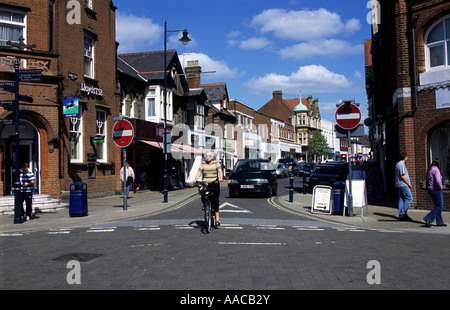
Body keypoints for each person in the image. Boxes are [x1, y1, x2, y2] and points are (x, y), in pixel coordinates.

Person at [193, 151, 223, 226]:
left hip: (214, 183)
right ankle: (205, 204)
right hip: (205, 183)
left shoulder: (216, 163)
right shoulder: (203, 163)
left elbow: (220, 171)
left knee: (215, 201)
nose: (207, 157)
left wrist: (221, 177)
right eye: (206, 156)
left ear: (212, 157)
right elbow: (199, 172)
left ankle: (217, 219)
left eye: (209, 156)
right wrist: (195, 179)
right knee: (202, 195)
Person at [424, 159, 446, 227]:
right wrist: (441, 187)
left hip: (431, 190)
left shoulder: (430, 169)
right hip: (436, 190)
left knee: (437, 206)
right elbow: (438, 181)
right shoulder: (436, 170)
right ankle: (428, 218)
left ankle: (440, 222)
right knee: (440, 206)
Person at [395, 152, 413, 221]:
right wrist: (408, 183)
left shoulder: (398, 164)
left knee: (401, 198)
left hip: (398, 184)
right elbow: (402, 175)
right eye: (407, 157)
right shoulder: (401, 165)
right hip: (403, 184)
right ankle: (402, 213)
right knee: (409, 198)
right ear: (405, 157)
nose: (407, 158)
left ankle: (401, 215)